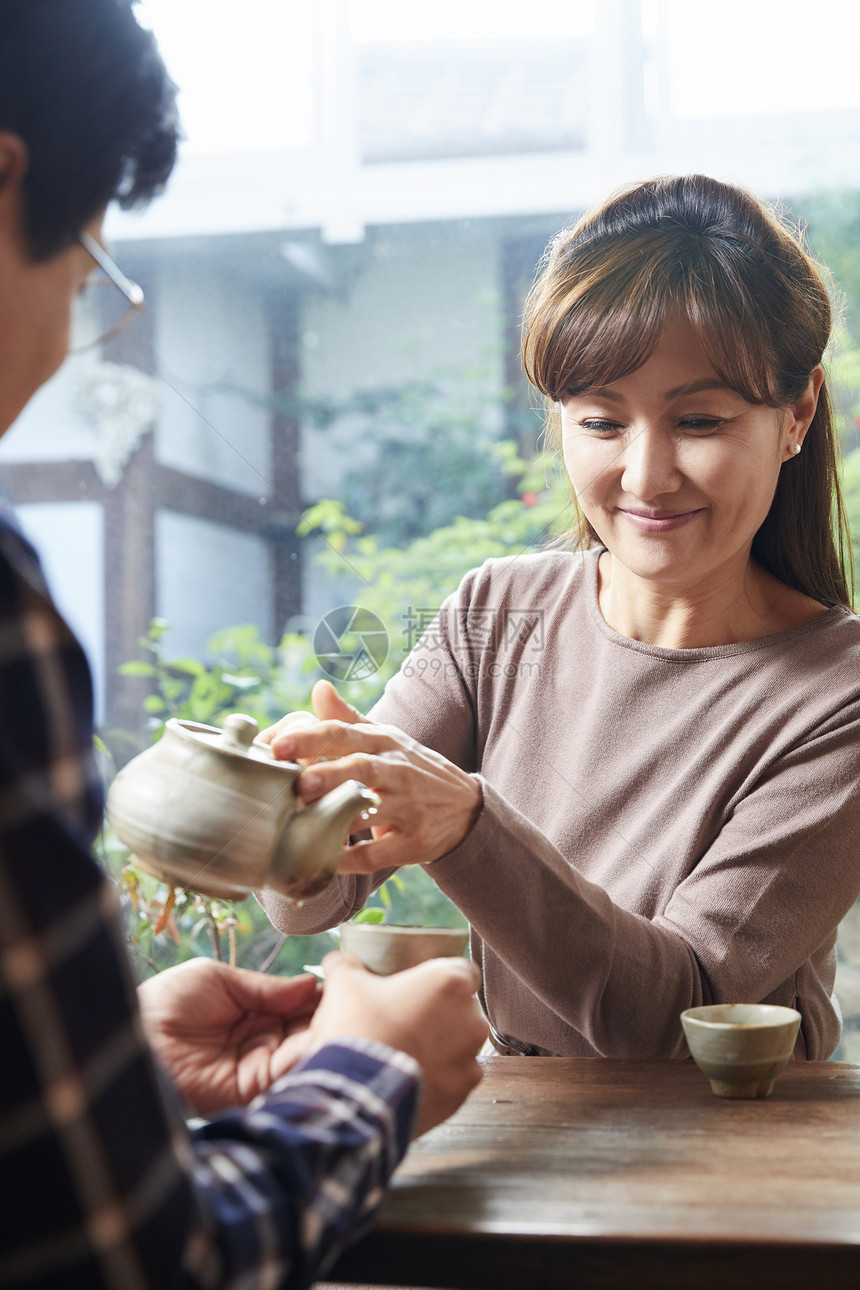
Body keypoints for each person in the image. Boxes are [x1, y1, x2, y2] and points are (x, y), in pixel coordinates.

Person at [0, 3, 486, 1287]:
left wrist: (101, 1069)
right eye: (84, 275)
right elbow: (148, 1263)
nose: (61, 342)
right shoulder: (493, 606)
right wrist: (367, 1076)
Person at [260, 173, 860, 1063]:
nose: (648, 476)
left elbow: (676, 1015)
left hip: (737, 1162)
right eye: (602, 422)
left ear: (797, 412)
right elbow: (317, 897)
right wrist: (289, 809)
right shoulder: (495, 610)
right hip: (527, 1133)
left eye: (698, 420)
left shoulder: (837, 697)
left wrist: (465, 825)